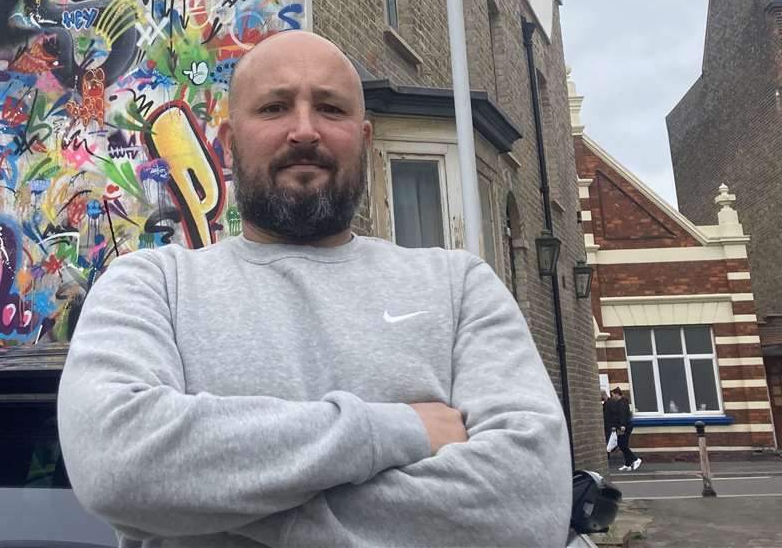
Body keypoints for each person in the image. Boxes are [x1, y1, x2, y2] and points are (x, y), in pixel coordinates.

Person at [57, 30, 572, 547]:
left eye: (330, 109)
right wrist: (398, 431)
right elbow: (117, 462)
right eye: (275, 108)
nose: (304, 131)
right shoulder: (153, 286)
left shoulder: (459, 286)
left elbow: (529, 503)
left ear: (365, 143)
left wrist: (238, 513)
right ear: (231, 145)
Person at [603, 387, 640, 471]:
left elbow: (623, 414)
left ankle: (635, 459)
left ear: (617, 394)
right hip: (621, 427)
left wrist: (622, 425)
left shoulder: (622, 403)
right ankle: (628, 464)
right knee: (622, 444)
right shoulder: (619, 402)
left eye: (612, 395)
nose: (612, 397)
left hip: (624, 427)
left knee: (622, 445)